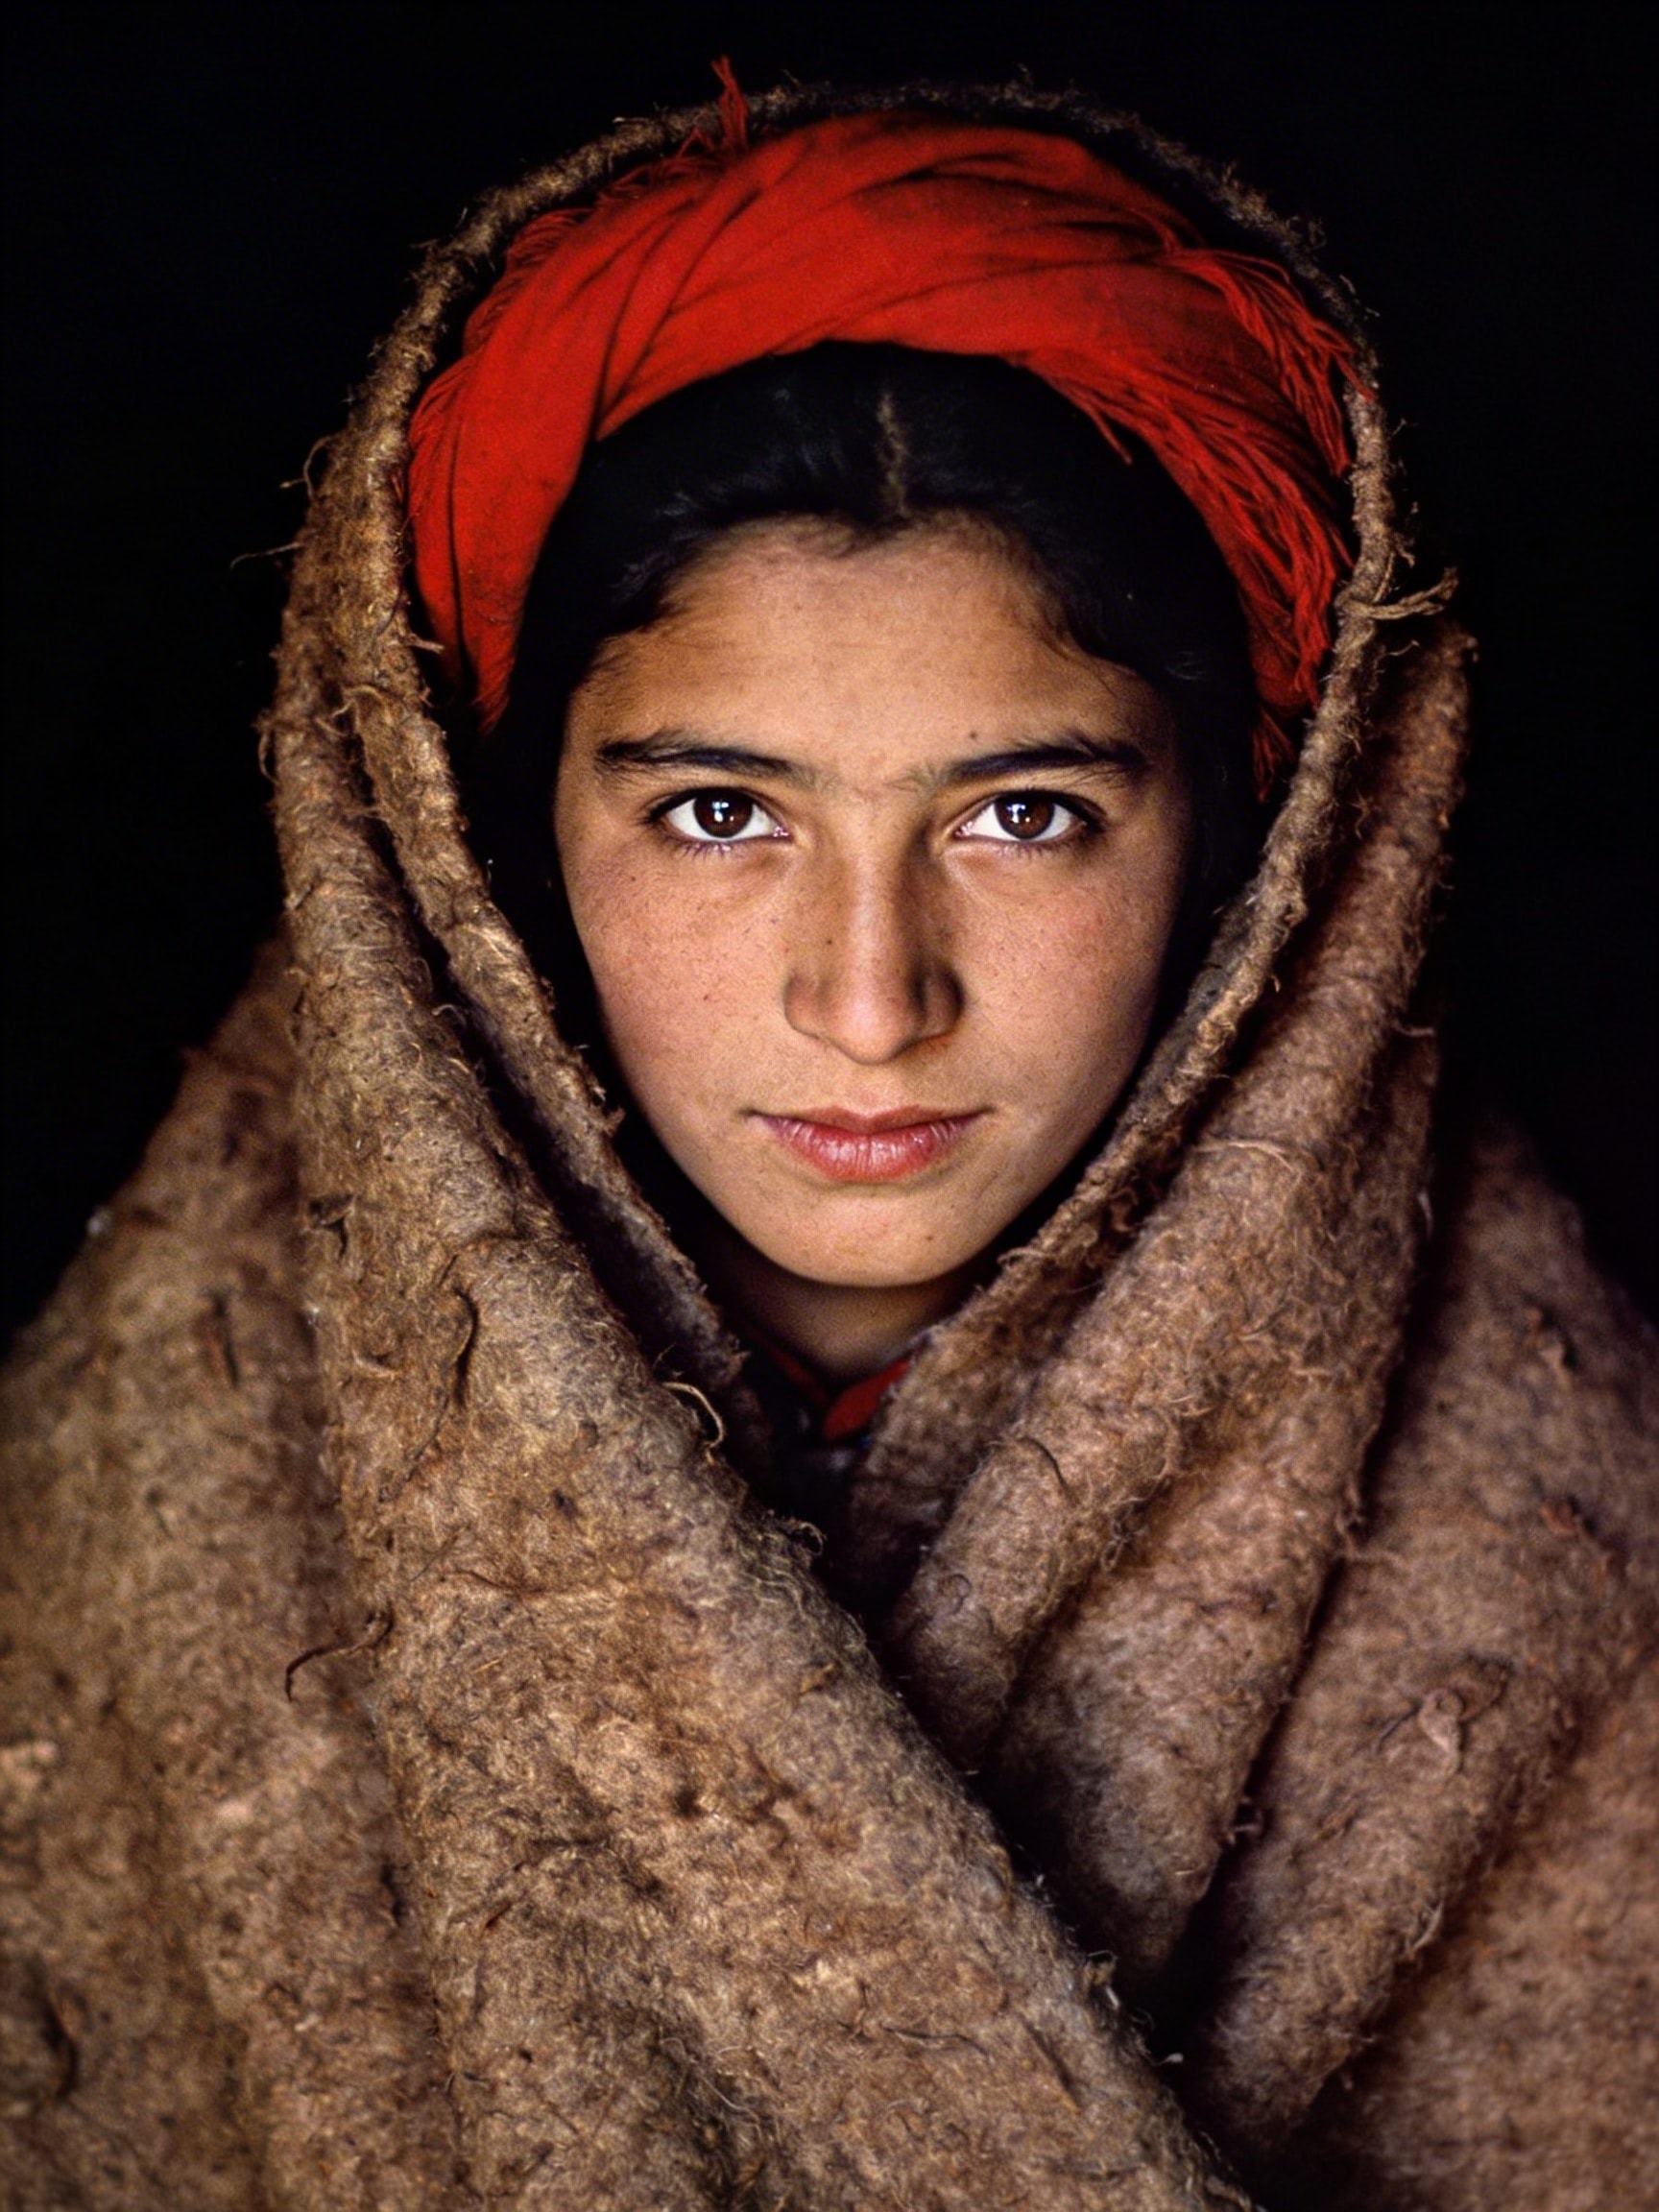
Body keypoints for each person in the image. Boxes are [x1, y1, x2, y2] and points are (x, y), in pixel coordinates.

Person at [2, 75, 1654, 2212]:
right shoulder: (120, 1538)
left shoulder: (1574, 1596)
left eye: (1023, 816)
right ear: (479, 857)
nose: (870, 1002)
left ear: (1269, 869)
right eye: (719, 814)